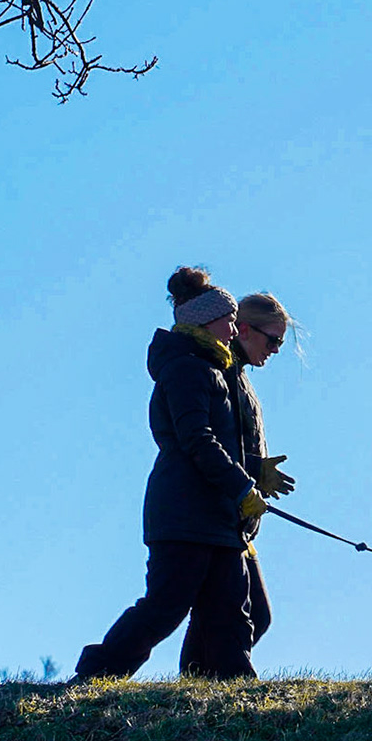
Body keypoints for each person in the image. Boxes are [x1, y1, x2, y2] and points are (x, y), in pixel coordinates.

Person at [74, 267, 268, 681]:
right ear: (205, 320)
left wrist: (248, 481)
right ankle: (97, 672)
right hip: (182, 515)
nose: (235, 328)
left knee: (232, 610)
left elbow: (227, 443)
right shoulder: (187, 369)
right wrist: (241, 486)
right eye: (229, 319)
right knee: (166, 606)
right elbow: (196, 440)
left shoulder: (217, 370)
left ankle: (237, 687)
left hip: (218, 518)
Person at [180, 291, 298, 676]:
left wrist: (257, 470)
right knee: (237, 616)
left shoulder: (239, 375)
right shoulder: (221, 371)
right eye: (273, 339)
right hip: (217, 516)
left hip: (237, 520)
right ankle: (207, 684)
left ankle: (194, 684)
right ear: (244, 329)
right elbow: (210, 442)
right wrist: (250, 473)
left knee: (238, 616)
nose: (277, 349)